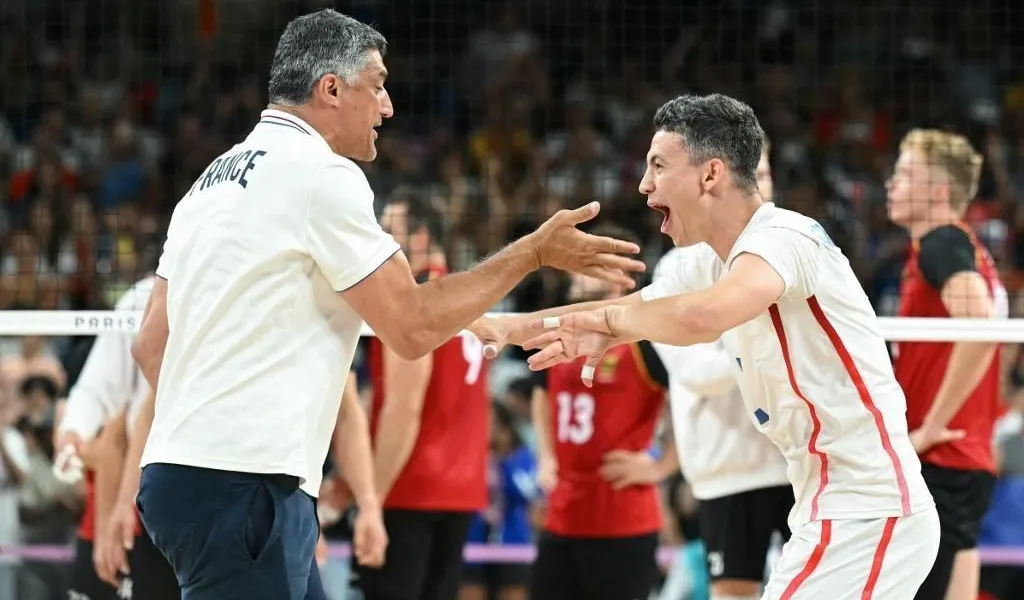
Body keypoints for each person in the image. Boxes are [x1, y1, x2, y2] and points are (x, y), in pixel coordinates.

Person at [130, 9, 644, 600]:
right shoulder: (321, 175)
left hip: (183, 476)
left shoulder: (207, 184)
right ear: (330, 89)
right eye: (376, 84)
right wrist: (533, 252)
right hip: (247, 481)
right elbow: (412, 326)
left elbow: (150, 344)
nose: (388, 105)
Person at [474, 94, 939, 599]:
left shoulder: (784, 238)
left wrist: (609, 322)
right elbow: (643, 307)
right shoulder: (710, 260)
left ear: (710, 174)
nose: (643, 185)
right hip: (827, 506)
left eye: (658, 166)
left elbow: (700, 315)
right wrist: (505, 325)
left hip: (867, 509)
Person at [652, 140, 791, 600]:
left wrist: (728, 333)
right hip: (726, 469)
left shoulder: (787, 254)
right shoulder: (676, 269)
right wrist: (756, 340)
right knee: (734, 592)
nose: (761, 186)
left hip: (795, 465)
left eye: (767, 176)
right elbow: (700, 373)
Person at [885, 129, 1007, 600]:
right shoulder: (957, 248)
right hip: (962, 458)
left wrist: (930, 426)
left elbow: (979, 326)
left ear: (938, 192)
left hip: (940, 455)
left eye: (905, 173)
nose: (892, 183)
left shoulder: (943, 244)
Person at [354, 193, 491, 600]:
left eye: (388, 230)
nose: (378, 238)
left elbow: (403, 407)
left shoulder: (415, 302)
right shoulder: (464, 294)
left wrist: (370, 500)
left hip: (409, 487)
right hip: (460, 488)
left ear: (420, 237)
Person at [529, 224, 676, 600]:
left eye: (590, 264)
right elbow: (541, 393)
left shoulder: (645, 337)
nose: (576, 271)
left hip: (623, 523)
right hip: (562, 518)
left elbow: (693, 398)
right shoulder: (561, 325)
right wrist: (545, 455)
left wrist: (663, 465)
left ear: (619, 277)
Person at [54, 275, 181, 600]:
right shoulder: (143, 297)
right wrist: (72, 436)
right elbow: (104, 401)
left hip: (219, 499)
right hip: (152, 507)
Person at [460, 401, 538, 600]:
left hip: (512, 543)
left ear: (504, 428)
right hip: (473, 543)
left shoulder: (521, 458)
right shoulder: (466, 458)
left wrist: (503, 464)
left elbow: (528, 493)